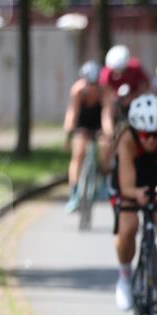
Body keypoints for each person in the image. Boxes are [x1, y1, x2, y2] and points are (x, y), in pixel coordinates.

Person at [111, 94, 157, 315]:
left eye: (156, 134)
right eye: (145, 135)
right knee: (128, 227)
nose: (151, 140)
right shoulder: (126, 139)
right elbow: (126, 186)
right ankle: (124, 278)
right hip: (131, 181)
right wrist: (135, 194)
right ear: (135, 131)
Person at [63, 61, 111, 212]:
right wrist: (68, 134)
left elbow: (106, 115)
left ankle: (104, 181)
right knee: (78, 154)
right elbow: (72, 113)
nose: (92, 87)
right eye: (90, 84)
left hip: (98, 123)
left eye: (95, 84)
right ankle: (74, 192)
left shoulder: (104, 92)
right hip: (82, 123)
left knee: (106, 147)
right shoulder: (78, 90)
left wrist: (108, 133)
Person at [100, 45, 149, 139]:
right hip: (116, 98)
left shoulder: (136, 67)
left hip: (135, 97)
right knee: (107, 111)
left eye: (121, 71)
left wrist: (133, 97)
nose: (118, 74)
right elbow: (106, 91)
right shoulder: (106, 72)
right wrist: (115, 99)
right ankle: (110, 137)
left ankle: (144, 133)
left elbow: (145, 86)